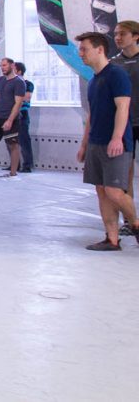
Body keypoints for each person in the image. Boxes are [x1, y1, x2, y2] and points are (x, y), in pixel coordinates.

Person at [75, 31, 137, 251]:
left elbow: (123, 107)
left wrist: (117, 138)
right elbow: (92, 115)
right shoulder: (93, 81)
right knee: (101, 191)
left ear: (99, 49)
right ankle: (112, 238)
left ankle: (136, 224)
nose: (81, 53)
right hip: (96, 143)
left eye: (84, 49)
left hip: (115, 143)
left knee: (114, 192)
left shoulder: (116, 74)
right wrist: (84, 144)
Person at [111, 20, 139, 234]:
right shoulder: (114, 64)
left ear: (136, 36)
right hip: (126, 126)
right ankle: (130, 221)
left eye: (123, 34)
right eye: (116, 34)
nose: (118, 38)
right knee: (124, 174)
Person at [4, 62, 34, 173]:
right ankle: (14, 164)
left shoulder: (28, 84)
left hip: (22, 114)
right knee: (10, 141)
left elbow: (26, 97)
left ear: (19, 71)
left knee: (24, 140)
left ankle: (27, 165)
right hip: (9, 115)